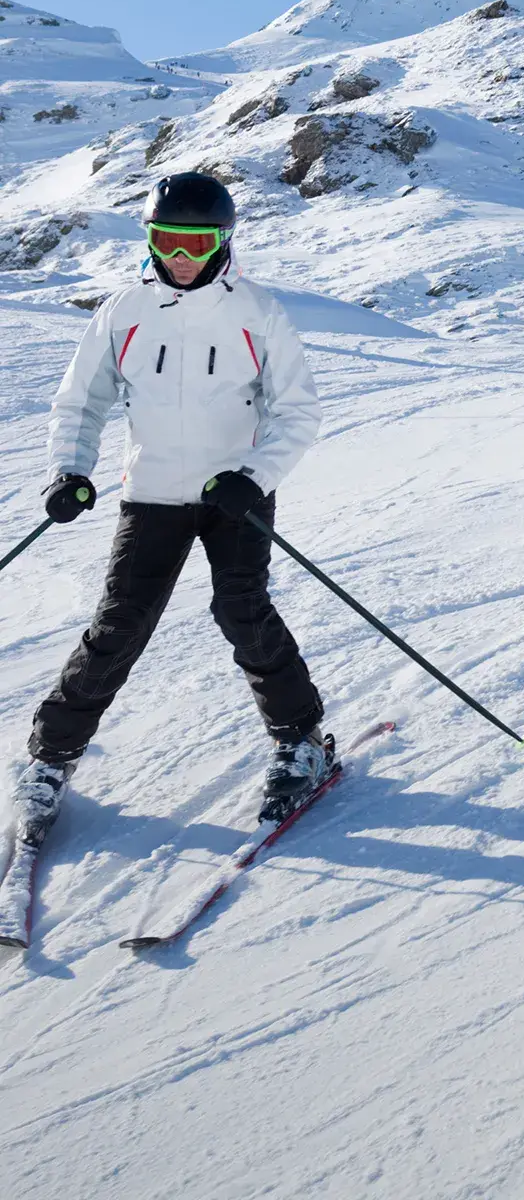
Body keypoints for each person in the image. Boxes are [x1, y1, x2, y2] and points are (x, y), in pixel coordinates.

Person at [15, 172, 327, 842]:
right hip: (152, 491)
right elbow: (82, 402)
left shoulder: (257, 313)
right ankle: (51, 756)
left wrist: (255, 473)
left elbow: (297, 411)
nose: (181, 253)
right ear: (150, 239)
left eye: (196, 238)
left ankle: (301, 740)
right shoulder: (123, 311)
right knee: (120, 623)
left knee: (242, 611)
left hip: (233, 493)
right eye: (167, 238)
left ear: (222, 241)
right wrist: (68, 471)